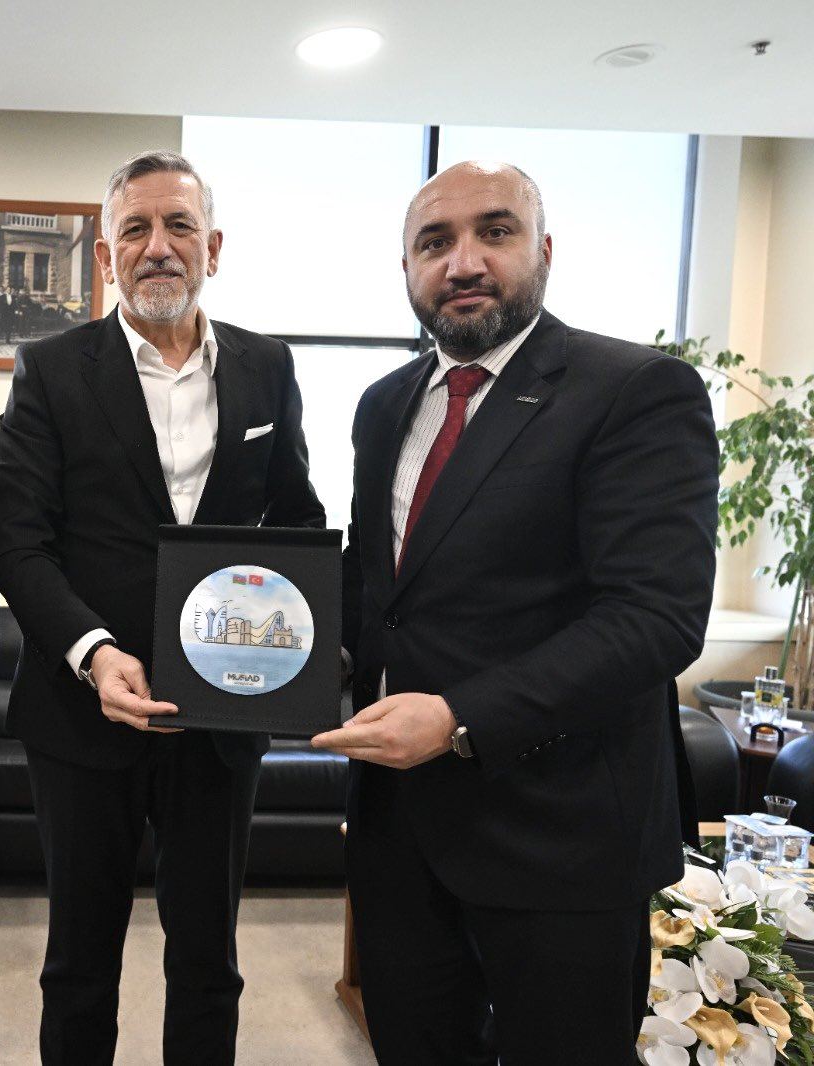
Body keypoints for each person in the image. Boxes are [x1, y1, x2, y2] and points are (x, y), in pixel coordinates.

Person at [314, 161, 719, 1064]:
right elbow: (378, 585)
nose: (463, 262)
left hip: (563, 839)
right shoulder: (384, 406)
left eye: (493, 232)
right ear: (407, 268)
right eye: (434, 242)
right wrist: (284, 659)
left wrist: (459, 717)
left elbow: (655, 616)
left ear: (545, 250)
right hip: (401, 837)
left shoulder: (635, 389)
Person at [0, 149, 325, 1064]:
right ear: (106, 256)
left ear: (213, 247)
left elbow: (297, 520)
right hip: (82, 713)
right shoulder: (50, 369)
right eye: (134, 228)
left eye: (179, 225)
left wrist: (290, 643)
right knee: (78, 963)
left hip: (222, 713)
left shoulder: (267, 366)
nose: (158, 245)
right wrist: (95, 651)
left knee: (210, 960)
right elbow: (15, 537)